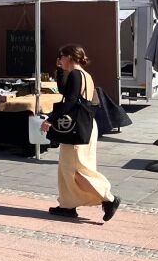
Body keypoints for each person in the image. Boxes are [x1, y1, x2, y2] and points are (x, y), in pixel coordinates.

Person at [40, 44, 120, 222]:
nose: (59, 60)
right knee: (68, 169)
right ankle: (68, 205)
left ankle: (109, 199)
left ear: (69, 57)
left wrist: (50, 119)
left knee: (77, 170)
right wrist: (60, 71)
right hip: (85, 126)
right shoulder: (84, 75)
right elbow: (65, 91)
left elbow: (69, 101)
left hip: (77, 127)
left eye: (61, 57)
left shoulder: (76, 74)